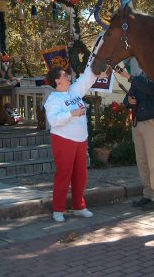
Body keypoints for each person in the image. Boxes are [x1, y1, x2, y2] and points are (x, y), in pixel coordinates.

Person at [45, 65, 107, 222]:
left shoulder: (74, 90)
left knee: (81, 174)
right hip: (63, 139)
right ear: (57, 81)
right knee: (64, 175)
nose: (67, 76)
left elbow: (87, 78)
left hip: (81, 139)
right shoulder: (53, 99)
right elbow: (53, 120)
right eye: (64, 75)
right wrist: (72, 113)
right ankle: (58, 210)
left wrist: (98, 69)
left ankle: (79, 206)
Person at [119, 58, 154, 210]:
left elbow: (151, 90)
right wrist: (129, 102)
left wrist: (130, 77)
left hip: (152, 124)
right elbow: (128, 98)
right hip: (138, 123)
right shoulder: (139, 78)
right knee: (142, 162)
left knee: (153, 163)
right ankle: (148, 195)